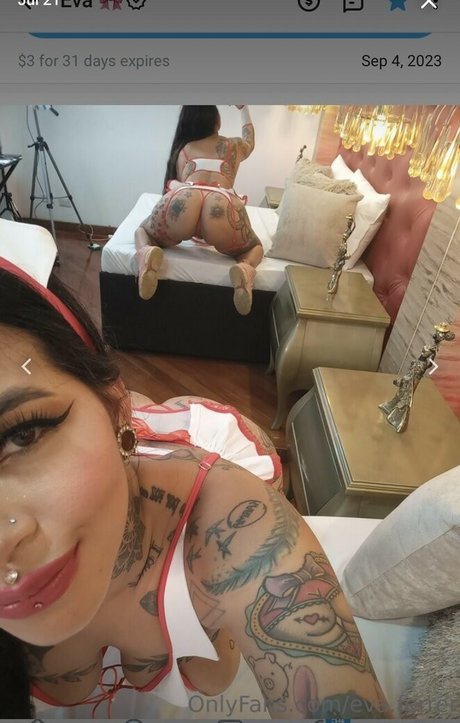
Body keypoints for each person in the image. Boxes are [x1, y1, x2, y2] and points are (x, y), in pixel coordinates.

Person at [0, 233, 390, 719]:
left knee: (211, 670)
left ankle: (148, 415)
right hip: (131, 436)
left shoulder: (233, 524)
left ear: (112, 406)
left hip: (204, 443)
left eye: (23, 434)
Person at [135, 105, 264, 316]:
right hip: (221, 204)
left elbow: (178, 183)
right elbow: (249, 140)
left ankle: (146, 255)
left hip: (187, 197)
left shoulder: (185, 149)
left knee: (143, 231)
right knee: (254, 247)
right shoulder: (233, 145)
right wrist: (243, 108)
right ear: (216, 121)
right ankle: (245, 269)